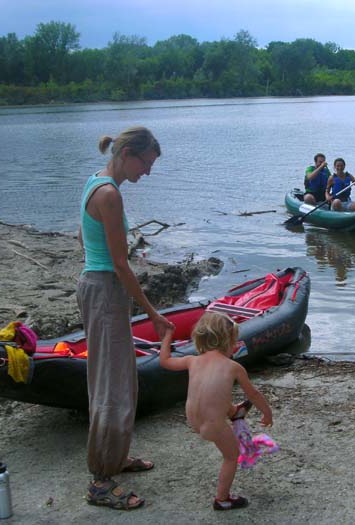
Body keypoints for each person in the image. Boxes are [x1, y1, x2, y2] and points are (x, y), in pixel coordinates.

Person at [78, 126, 174, 511]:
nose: (147, 172)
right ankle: (101, 481)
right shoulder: (109, 194)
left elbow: (88, 241)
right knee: (111, 386)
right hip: (104, 290)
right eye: (146, 163)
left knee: (121, 380)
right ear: (128, 153)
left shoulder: (96, 181)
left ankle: (114, 458)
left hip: (100, 288)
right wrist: (153, 313)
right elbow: (121, 264)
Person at [159, 312, 274, 511]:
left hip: (194, 420)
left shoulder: (191, 360)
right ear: (229, 341)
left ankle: (234, 411)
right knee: (231, 456)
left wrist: (168, 335)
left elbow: (165, 361)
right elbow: (253, 394)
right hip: (213, 425)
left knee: (216, 399)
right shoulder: (233, 367)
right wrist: (267, 413)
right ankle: (222, 499)